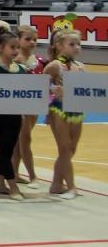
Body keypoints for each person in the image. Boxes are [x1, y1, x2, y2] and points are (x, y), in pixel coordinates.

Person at [0, 30, 27, 200]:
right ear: (0, 47)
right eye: (12, 47)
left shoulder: (21, 69)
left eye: (17, 47)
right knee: (5, 147)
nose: (16, 51)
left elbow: (24, 94)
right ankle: (13, 185)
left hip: (15, 113)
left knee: (8, 148)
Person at [43, 24, 84, 199]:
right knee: (65, 148)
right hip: (59, 110)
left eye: (78, 44)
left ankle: (56, 183)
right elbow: (41, 89)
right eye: (72, 44)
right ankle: (71, 187)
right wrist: (53, 93)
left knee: (71, 149)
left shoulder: (80, 66)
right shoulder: (54, 66)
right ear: (59, 46)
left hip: (77, 110)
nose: (76, 47)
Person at [15, 23, 42, 182]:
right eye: (28, 39)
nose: (32, 42)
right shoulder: (15, 59)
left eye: (35, 40)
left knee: (20, 141)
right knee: (25, 139)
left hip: (34, 103)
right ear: (18, 40)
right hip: (19, 104)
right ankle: (32, 176)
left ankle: (14, 173)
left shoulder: (38, 60)